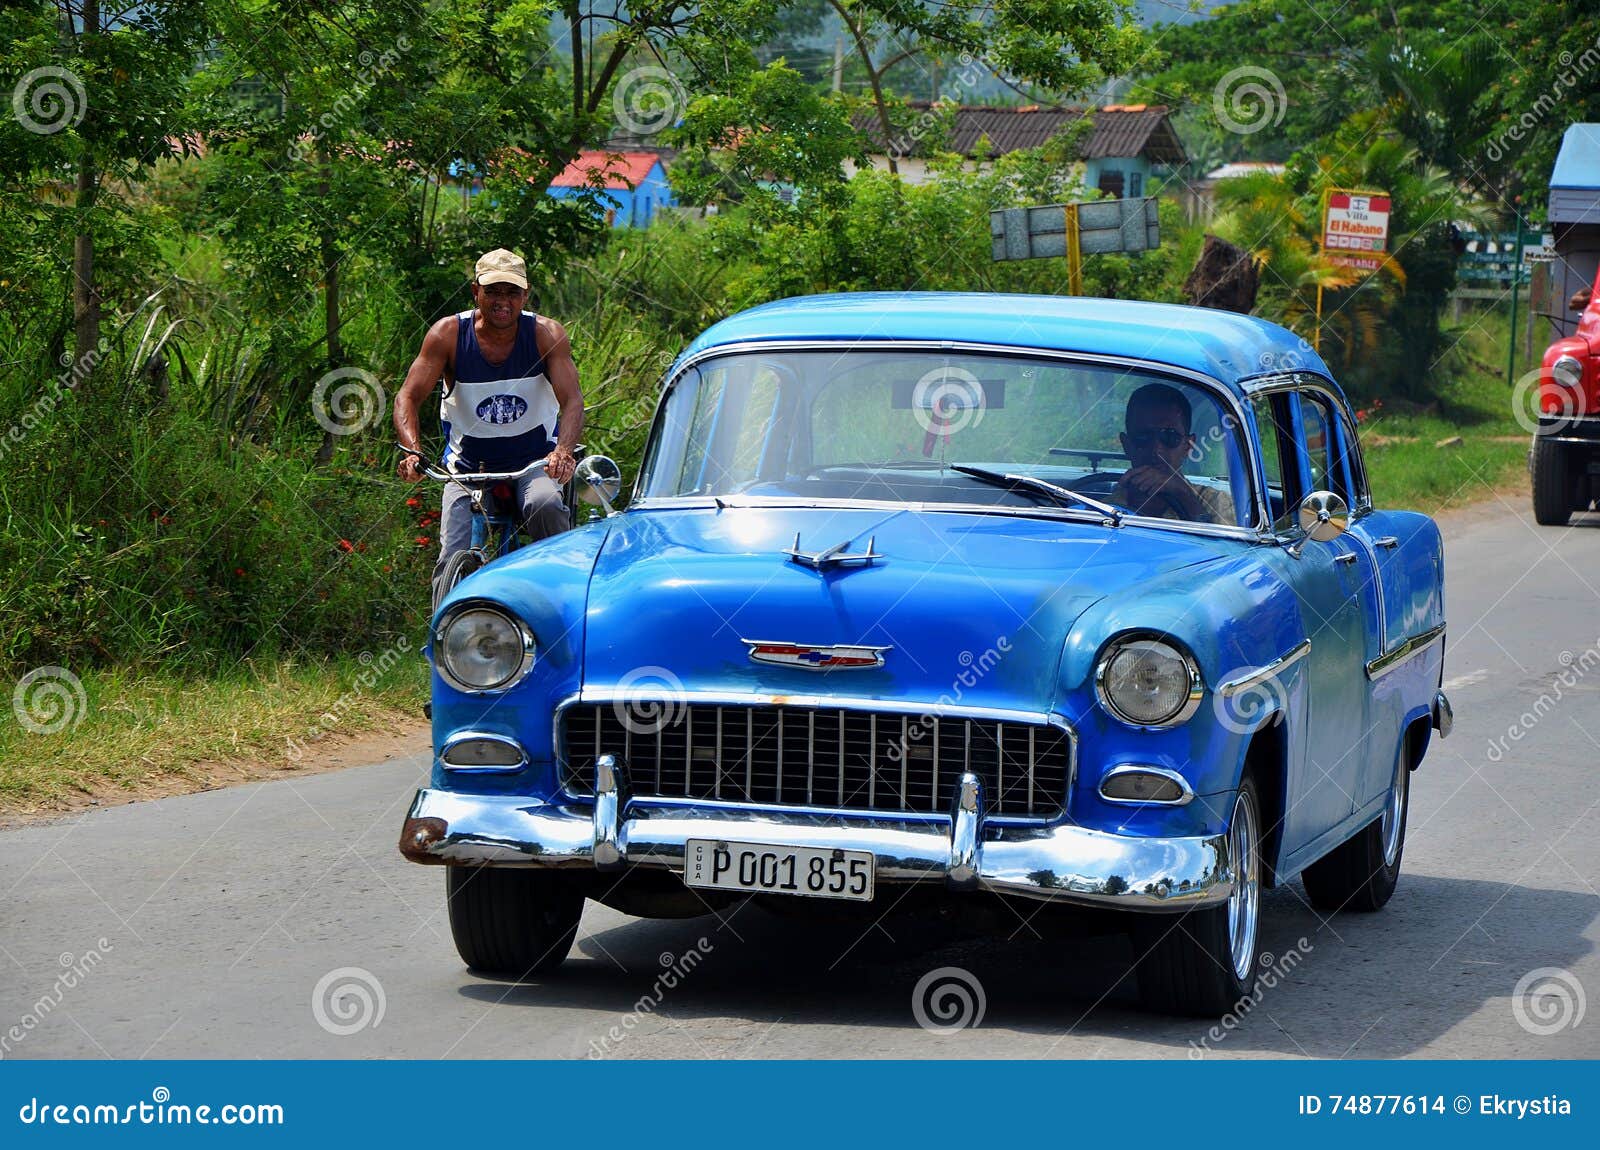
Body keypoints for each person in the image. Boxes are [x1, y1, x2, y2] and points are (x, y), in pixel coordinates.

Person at [393, 248, 583, 593]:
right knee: (452, 549)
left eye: (512, 292)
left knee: (545, 505)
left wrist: (564, 450)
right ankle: (445, 633)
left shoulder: (545, 334)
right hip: (467, 467)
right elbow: (408, 396)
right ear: (475, 291)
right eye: (493, 290)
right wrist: (413, 452)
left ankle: (566, 600)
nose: (502, 301)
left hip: (534, 463)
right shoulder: (447, 335)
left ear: (525, 295)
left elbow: (572, 400)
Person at [1110, 382, 1235, 525]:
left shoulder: (1217, 503)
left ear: (1188, 445)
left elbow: (1223, 546)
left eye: (1169, 436)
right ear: (1127, 445)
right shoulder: (1103, 509)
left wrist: (1184, 495)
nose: (1156, 449)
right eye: (1143, 437)